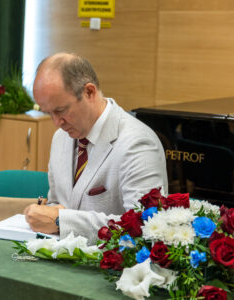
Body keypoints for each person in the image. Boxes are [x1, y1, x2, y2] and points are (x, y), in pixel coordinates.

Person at [24, 53, 168, 244]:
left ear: (89, 92)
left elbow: (145, 225)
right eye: (48, 113)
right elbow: (56, 204)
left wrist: (61, 221)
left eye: (60, 110)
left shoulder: (137, 143)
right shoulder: (61, 137)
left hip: (112, 266)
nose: (56, 122)